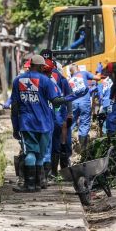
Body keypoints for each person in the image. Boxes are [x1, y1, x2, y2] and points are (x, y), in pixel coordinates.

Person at [10, 55, 84, 192]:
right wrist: (74, 96)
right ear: (41, 67)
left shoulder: (17, 80)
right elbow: (56, 101)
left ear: (30, 65)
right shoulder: (45, 80)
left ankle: (30, 185)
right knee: (40, 154)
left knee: (30, 153)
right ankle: (38, 184)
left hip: (27, 123)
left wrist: (15, 126)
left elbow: (14, 106)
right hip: (44, 124)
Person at [41, 49, 72, 178]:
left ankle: (48, 172)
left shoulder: (36, 76)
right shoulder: (59, 76)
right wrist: (69, 113)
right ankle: (56, 171)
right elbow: (68, 95)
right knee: (59, 143)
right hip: (57, 116)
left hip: (46, 116)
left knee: (47, 145)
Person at [68, 63, 97, 150]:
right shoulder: (84, 73)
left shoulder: (69, 80)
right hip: (84, 103)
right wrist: (99, 72)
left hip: (74, 104)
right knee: (84, 123)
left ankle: (68, 145)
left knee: (71, 124)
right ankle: (83, 148)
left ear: (71, 72)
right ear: (78, 69)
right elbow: (97, 78)